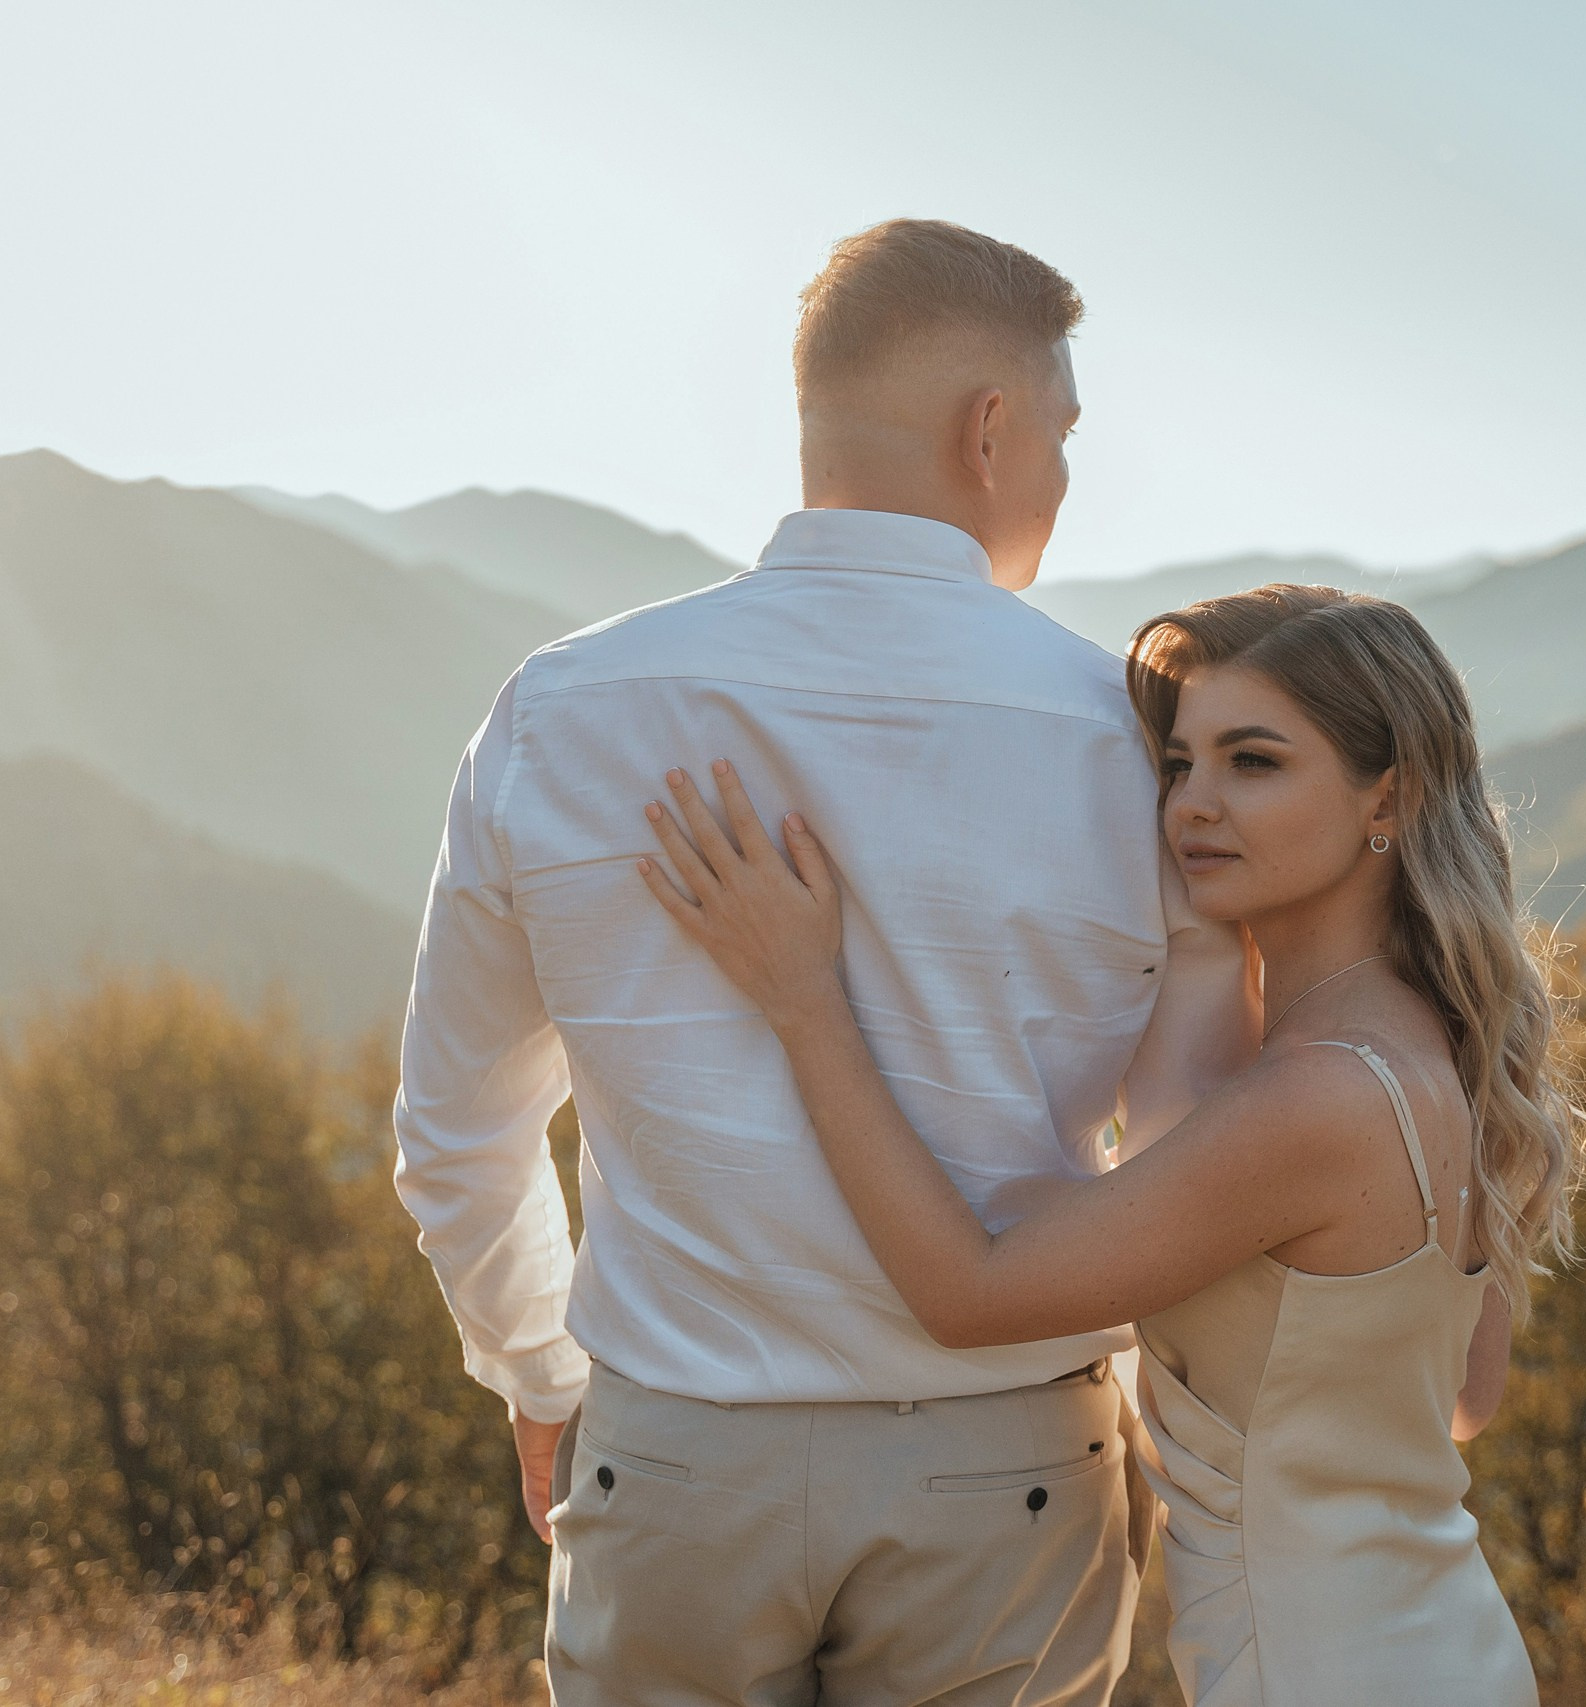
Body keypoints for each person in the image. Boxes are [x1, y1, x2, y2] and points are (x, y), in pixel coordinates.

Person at [392, 218, 1255, 1706]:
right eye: (1060, 433)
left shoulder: (564, 709)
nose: (1059, 474)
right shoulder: (1130, 738)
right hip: (1012, 1463)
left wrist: (540, 1374)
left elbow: (456, 1132)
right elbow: (1187, 1153)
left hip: (673, 1450)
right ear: (991, 430)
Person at [634, 583, 1586, 1705]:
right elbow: (1457, 1402)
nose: (1193, 804)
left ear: (1387, 796)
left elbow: (967, 1294)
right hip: (1442, 1653)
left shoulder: (1318, 1097)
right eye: (1180, 765)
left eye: (1254, 762)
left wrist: (804, 998)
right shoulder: (1437, 1046)